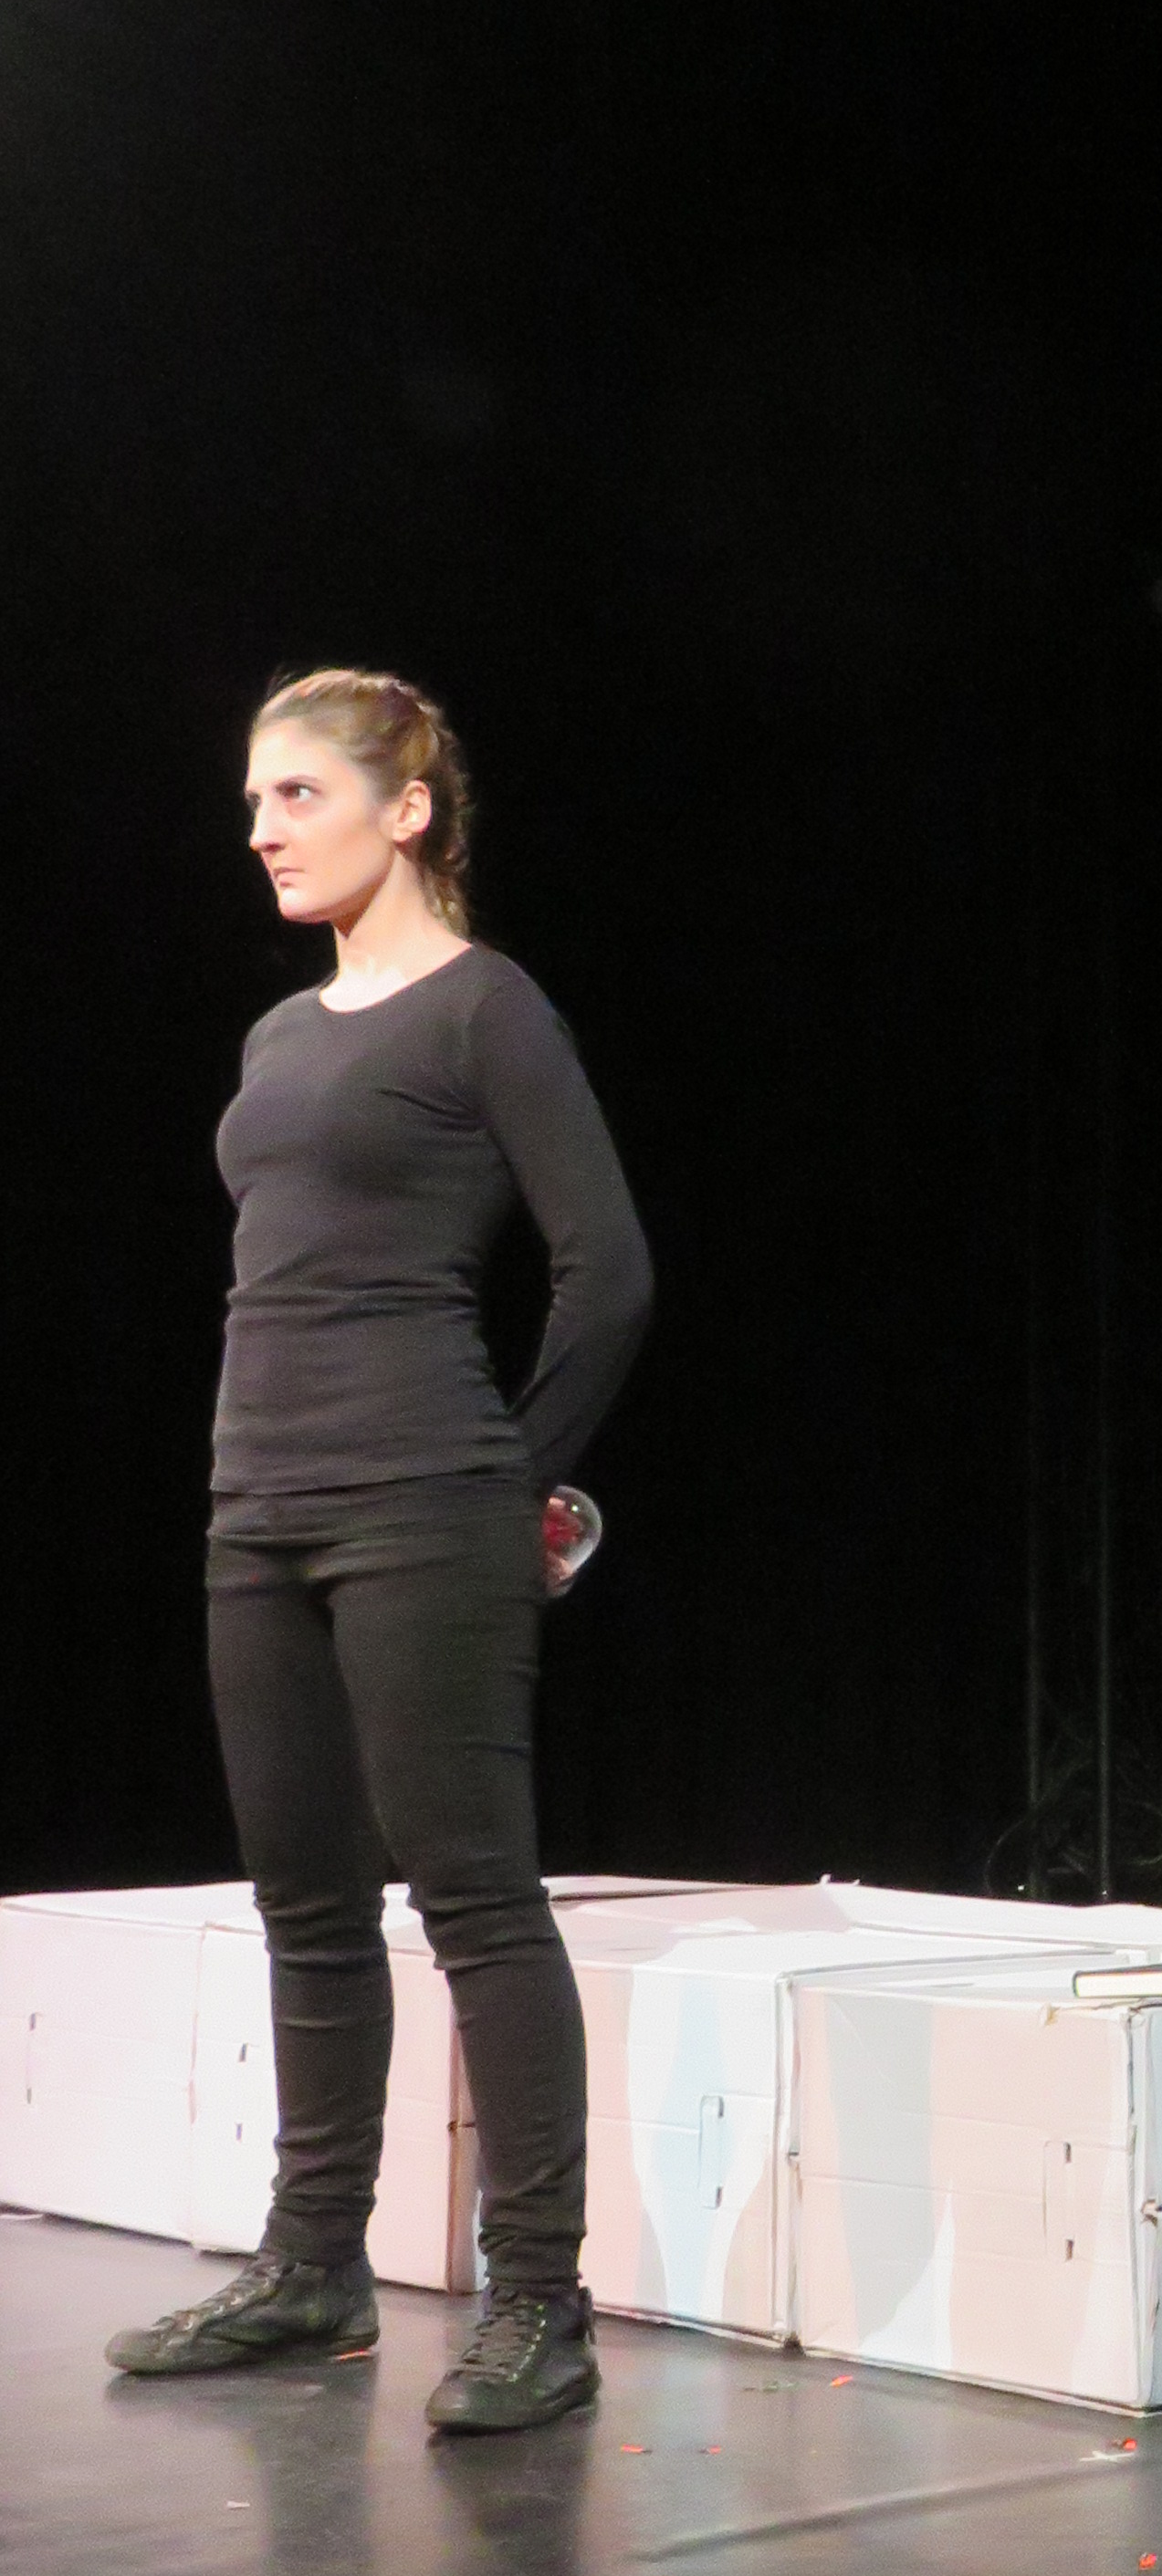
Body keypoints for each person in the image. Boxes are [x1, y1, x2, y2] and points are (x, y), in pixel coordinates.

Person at [105, 672, 653, 2435]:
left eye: (296, 794)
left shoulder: (485, 1008)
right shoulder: (281, 1036)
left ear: (405, 808)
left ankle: (540, 2300)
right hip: (256, 1507)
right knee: (308, 1906)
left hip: (425, 1498)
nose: (261, 829)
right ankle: (311, 2264)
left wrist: (518, 1483)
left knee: (475, 1896)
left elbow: (609, 1270)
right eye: (252, 802)